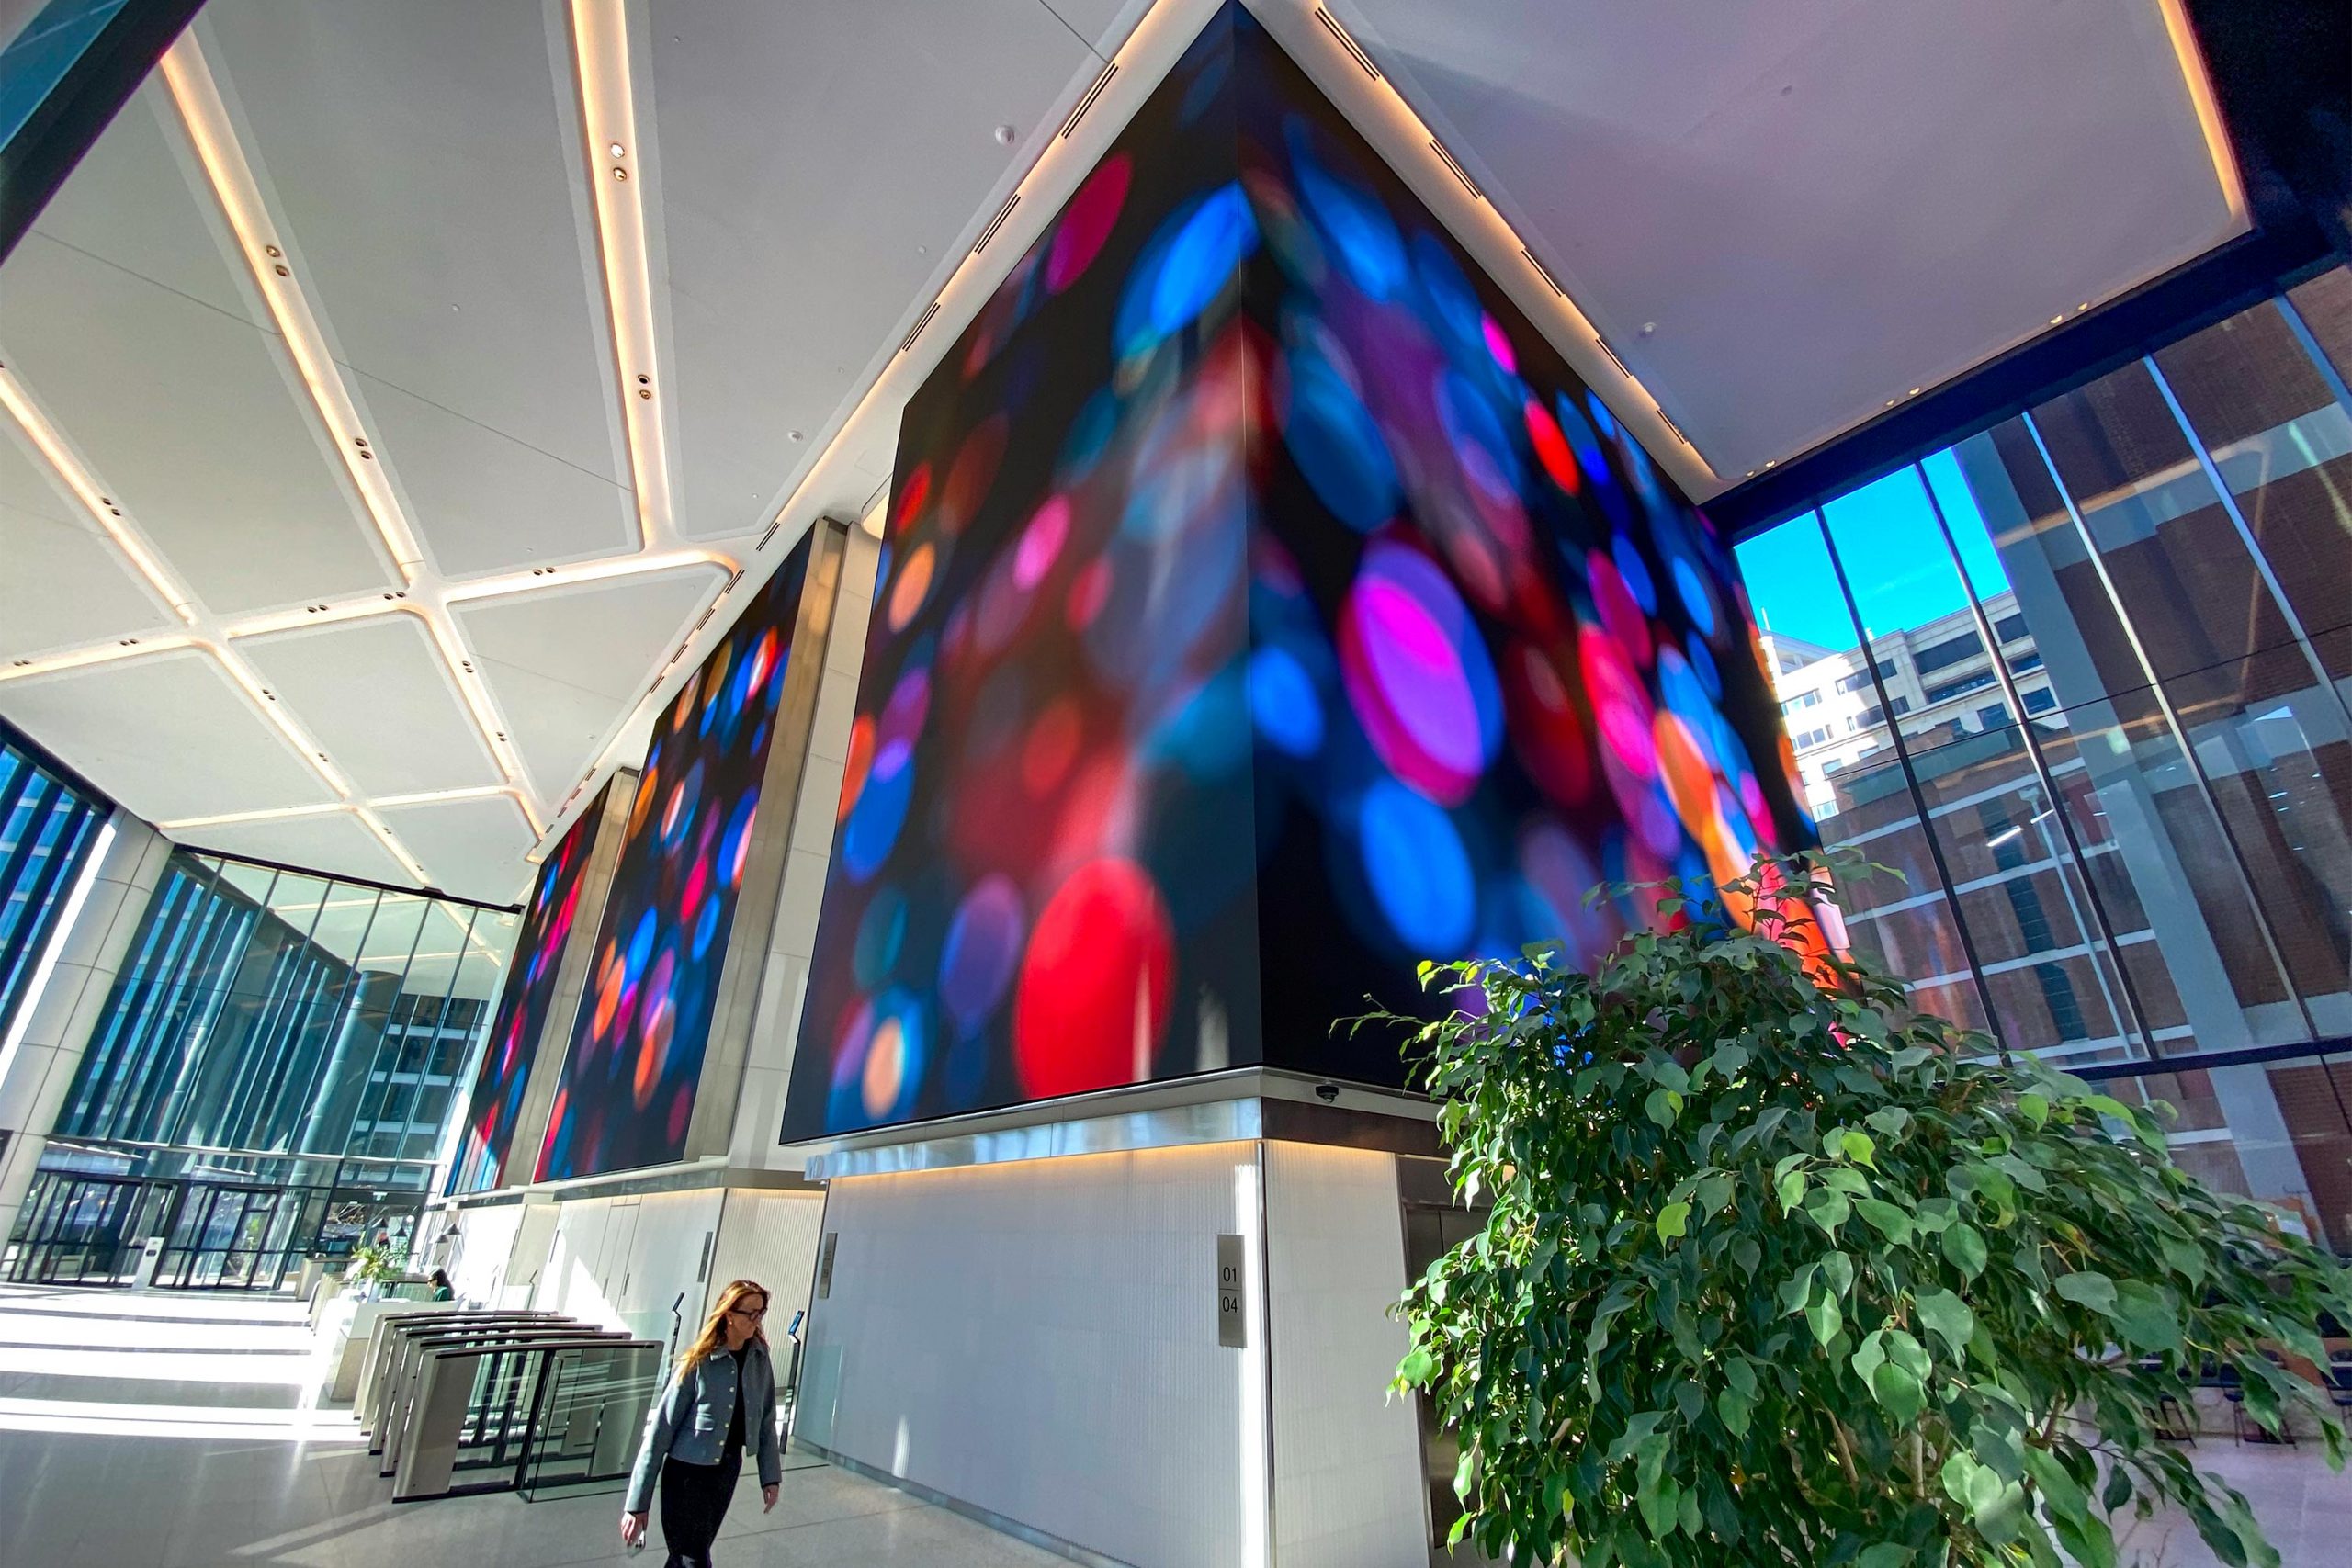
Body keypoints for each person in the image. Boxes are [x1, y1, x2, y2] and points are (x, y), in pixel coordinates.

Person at [621, 1280, 782, 1565]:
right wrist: (637, 1504)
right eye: (751, 1313)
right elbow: (660, 1432)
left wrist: (770, 1476)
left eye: (762, 1312)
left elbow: (766, 1417)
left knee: (689, 1554)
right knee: (692, 1556)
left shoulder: (759, 1357)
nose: (757, 1320)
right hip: (686, 1476)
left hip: (725, 1472)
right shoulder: (698, 1361)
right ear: (729, 1315)